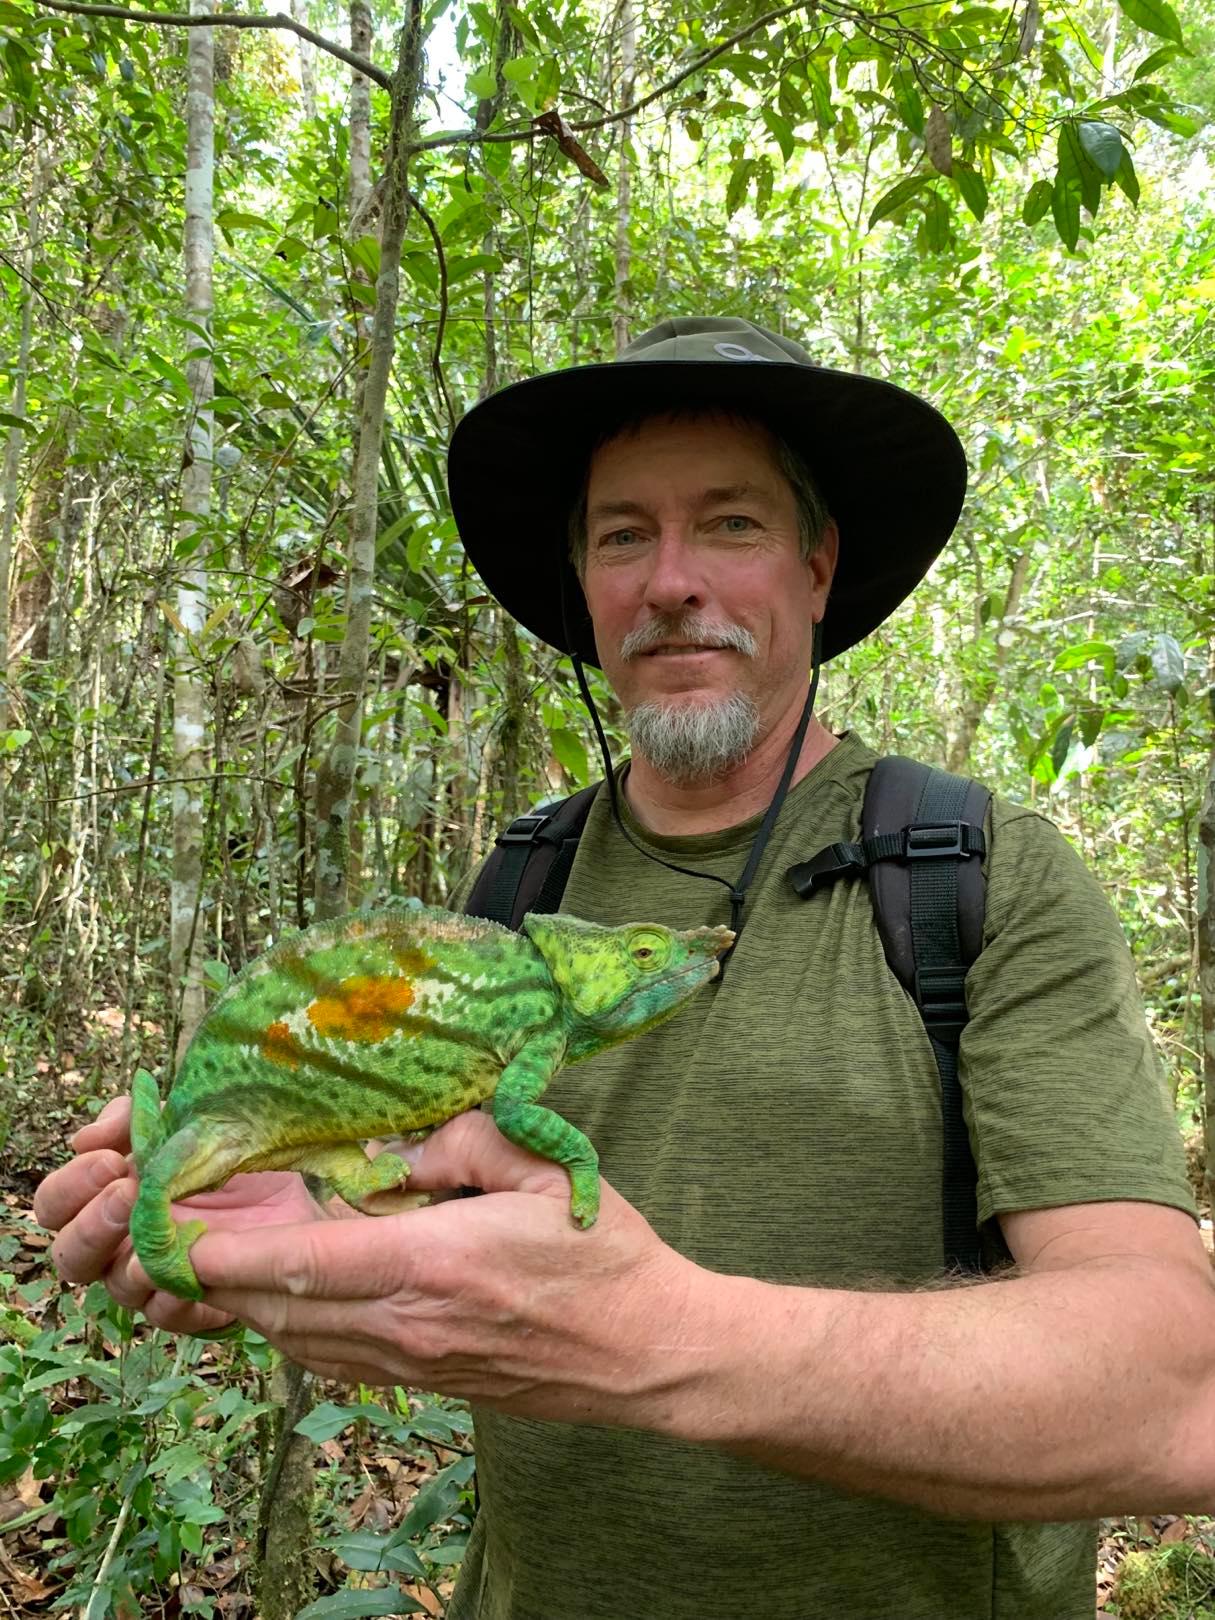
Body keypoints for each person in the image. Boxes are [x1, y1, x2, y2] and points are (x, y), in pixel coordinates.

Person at [35, 318, 1210, 1620]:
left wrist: (657, 1338)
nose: (671, 583)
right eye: (621, 536)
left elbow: (1172, 1390)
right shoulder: (519, 888)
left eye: (731, 524)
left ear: (819, 566)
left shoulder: (973, 879)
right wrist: (283, 1239)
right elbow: (442, 1234)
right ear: (585, 585)